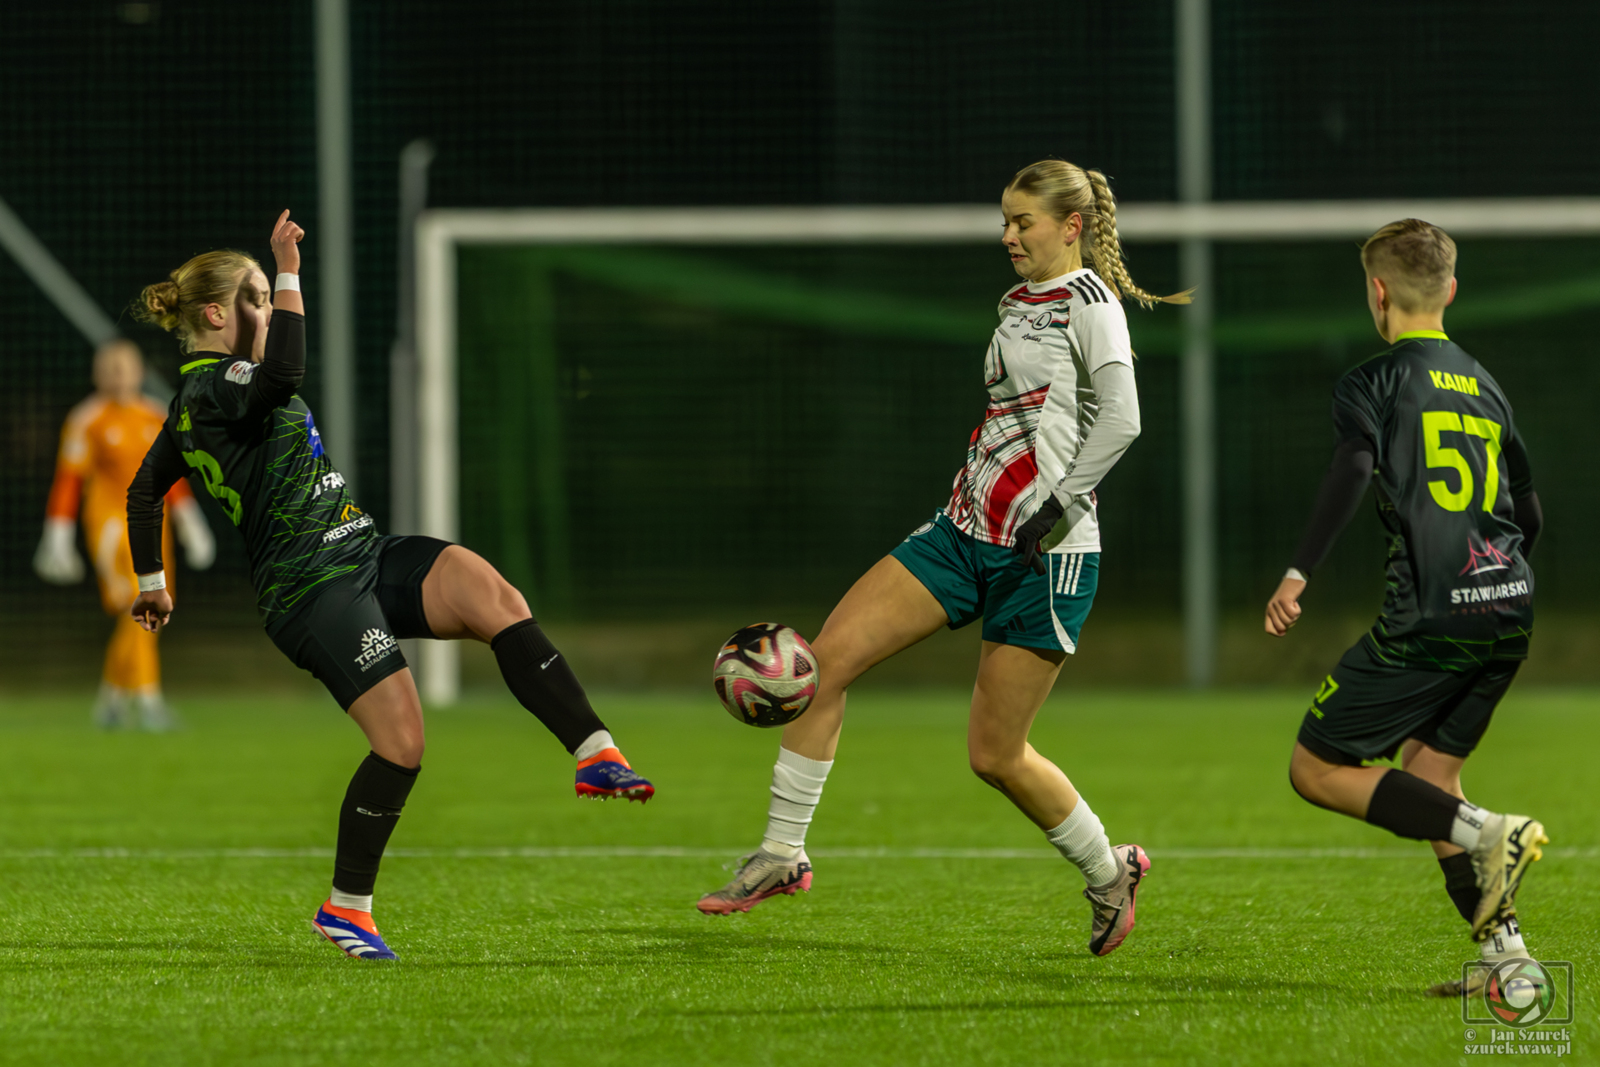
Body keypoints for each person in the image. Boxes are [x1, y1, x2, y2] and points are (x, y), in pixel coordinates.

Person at [126, 211, 654, 962]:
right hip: (310, 590)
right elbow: (282, 374)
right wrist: (288, 268)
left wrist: (153, 580)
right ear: (216, 315)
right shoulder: (210, 388)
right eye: (254, 297)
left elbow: (145, 493)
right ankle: (346, 908)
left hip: (362, 552)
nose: (268, 307)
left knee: (492, 593)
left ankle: (595, 750)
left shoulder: (202, 401)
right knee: (403, 744)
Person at [696, 160, 1188, 956]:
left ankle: (1110, 870)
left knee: (994, 756)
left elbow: (1123, 420)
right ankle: (783, 853)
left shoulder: (1092, 306)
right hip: (960, 534)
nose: (1007, 235)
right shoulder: (1017, 302)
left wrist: (1058, 508)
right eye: (1004, 219)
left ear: (1069, 227)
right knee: (821, 666)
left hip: (1046, 556)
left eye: (1022, 222)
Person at [1263, 219, 1547, 997]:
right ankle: (1511, 965)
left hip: (1432, 614)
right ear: (1450, 290)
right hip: (1509, 608)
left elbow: (1354, 467)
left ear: (1377, 292)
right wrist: (1497, 582)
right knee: (1430, 776)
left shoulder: (1373, 381)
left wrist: (1298, 570)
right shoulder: (1486, 383)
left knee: (1315, 767)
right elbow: (1530, 513)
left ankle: (1490, 833)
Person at [35, 338, 214, 729]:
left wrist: (191, 522)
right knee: (137, 606)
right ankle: (149, 702)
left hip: (154, 528)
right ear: (97, 374)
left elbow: (171, 477)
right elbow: (69, 480)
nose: (118, 375)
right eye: (110, 367)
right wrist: (58, 536)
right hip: (111, 528)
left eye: (125, 366)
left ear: (139, 372)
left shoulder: (153, 417)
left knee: (153, 606)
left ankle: (111, 698)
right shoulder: (87, 420)